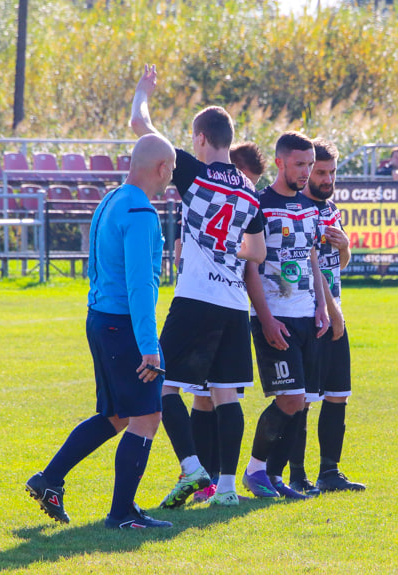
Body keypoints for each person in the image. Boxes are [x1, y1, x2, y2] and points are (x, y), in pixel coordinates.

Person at [130, 64, 267, 509]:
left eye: (193, 139)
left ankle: (192, 468)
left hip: (194, 298)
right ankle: (227, 489)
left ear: (202, 139)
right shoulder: (249, 191)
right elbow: (258, 253)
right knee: (226, 394)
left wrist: (143, 91)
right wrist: (227, 246)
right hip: (232, 301)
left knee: (162, 386)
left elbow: (141, 127)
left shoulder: (194, 172)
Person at [25, 133, 176, 529]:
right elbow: (141, 285)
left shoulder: (111, 199)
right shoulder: (141, 212)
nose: (170, 178)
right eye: (171, 170)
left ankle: (49, 480)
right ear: (162, 168)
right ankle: (122, 514)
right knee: (147, 416)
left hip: (100, 318)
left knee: (114, 415)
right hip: (123, 324)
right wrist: (149, 347)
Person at [241, 131, 330, 499]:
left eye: (310, 164)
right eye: (299, 164)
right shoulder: (258, 205)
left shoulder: (312, 207)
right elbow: (250, 267)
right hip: (275, 315)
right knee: (290, 398)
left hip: (307, 315)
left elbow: (312, 258)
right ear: (279, 163)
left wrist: (322, 306)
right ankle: (255, 470)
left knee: (303, 400)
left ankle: (275, 477)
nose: (306, 171)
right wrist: (265, 319)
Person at [183, 140, 269, 504]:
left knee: (220, 395)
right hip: (221, 303)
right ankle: (208, 481)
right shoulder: (217, 195)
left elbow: (256, 258)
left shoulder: (214, 190)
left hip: (218, 303)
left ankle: (211, 480)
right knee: (206, 398)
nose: (243, 188)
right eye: (245, 178)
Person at [283, 138, 366, 495]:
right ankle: (297, 475)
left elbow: (338, 266)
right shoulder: (298, 209)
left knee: (337, 395)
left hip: (336, 314)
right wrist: (329, 311)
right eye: (320, 171)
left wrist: (344, 246)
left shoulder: (331, 209)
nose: (327, 178)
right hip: (309, 314)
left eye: (332, 172)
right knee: (301, 398)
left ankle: (329, 471)